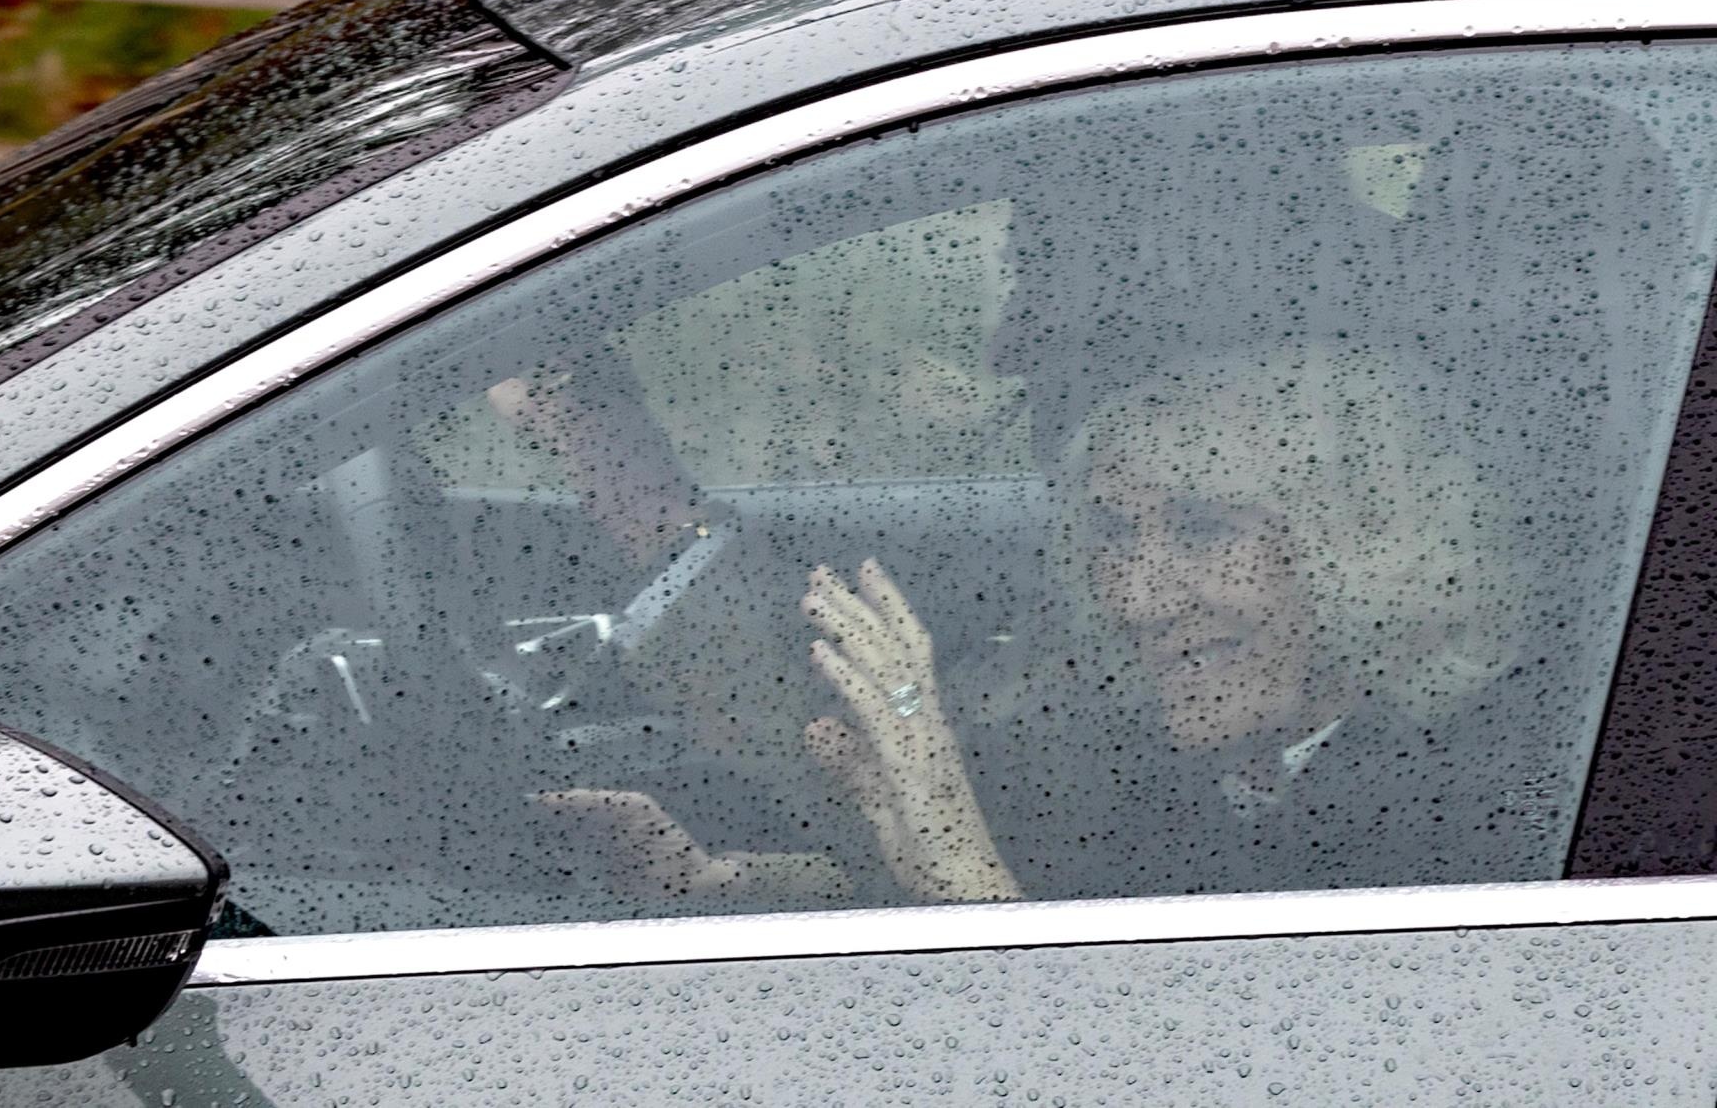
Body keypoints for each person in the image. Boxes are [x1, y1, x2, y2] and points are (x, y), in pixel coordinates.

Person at [538, 341, 1555, 908]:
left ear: (1361, 546)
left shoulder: (1477, 816)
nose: (1136, 596)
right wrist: (720, 882)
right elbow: (1081, 880)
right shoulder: (1200, 754)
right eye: (1113, 536)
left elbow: (1161, 1053)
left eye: (1203, 529)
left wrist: (953, 847)